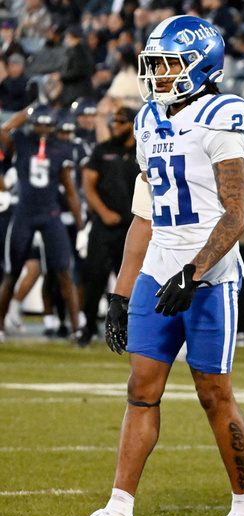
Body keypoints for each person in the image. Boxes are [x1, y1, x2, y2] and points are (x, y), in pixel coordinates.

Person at [63, 16, 244, 516]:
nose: (157, 75)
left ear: (201, 65)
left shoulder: (221, 116)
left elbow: (237, 211)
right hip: (159, 267)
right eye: (152, 64)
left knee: (213, 393)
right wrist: (121, 290)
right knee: (140, 389)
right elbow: (144, 215)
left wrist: (194, 271)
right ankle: (118, 512)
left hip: (210, 274)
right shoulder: (148, 120)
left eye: (168, 64)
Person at [0, 105, 83, 343]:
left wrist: (81, 226)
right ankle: (0, 326)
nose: (44, 129)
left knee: (64, 272)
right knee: (11, 272)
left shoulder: (61, 147)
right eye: (39, 124)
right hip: (24, 213)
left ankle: (77, 328)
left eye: (48, 124)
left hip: (50, 213)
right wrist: (29, 110)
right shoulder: (22, 141)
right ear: (32, 123)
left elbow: (70, 190)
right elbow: (4, 129)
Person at [78, 106, 138, 347]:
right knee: (94, 277)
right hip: (105, 226)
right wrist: (103, 212)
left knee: (134, 281)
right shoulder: (102, 150)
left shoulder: (143, 152)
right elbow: (87, 185)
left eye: (122, 122)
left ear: (134, 124)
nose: (116, 126)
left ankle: (130, 330)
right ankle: (88, 326)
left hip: (134, 227)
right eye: (114, 122)